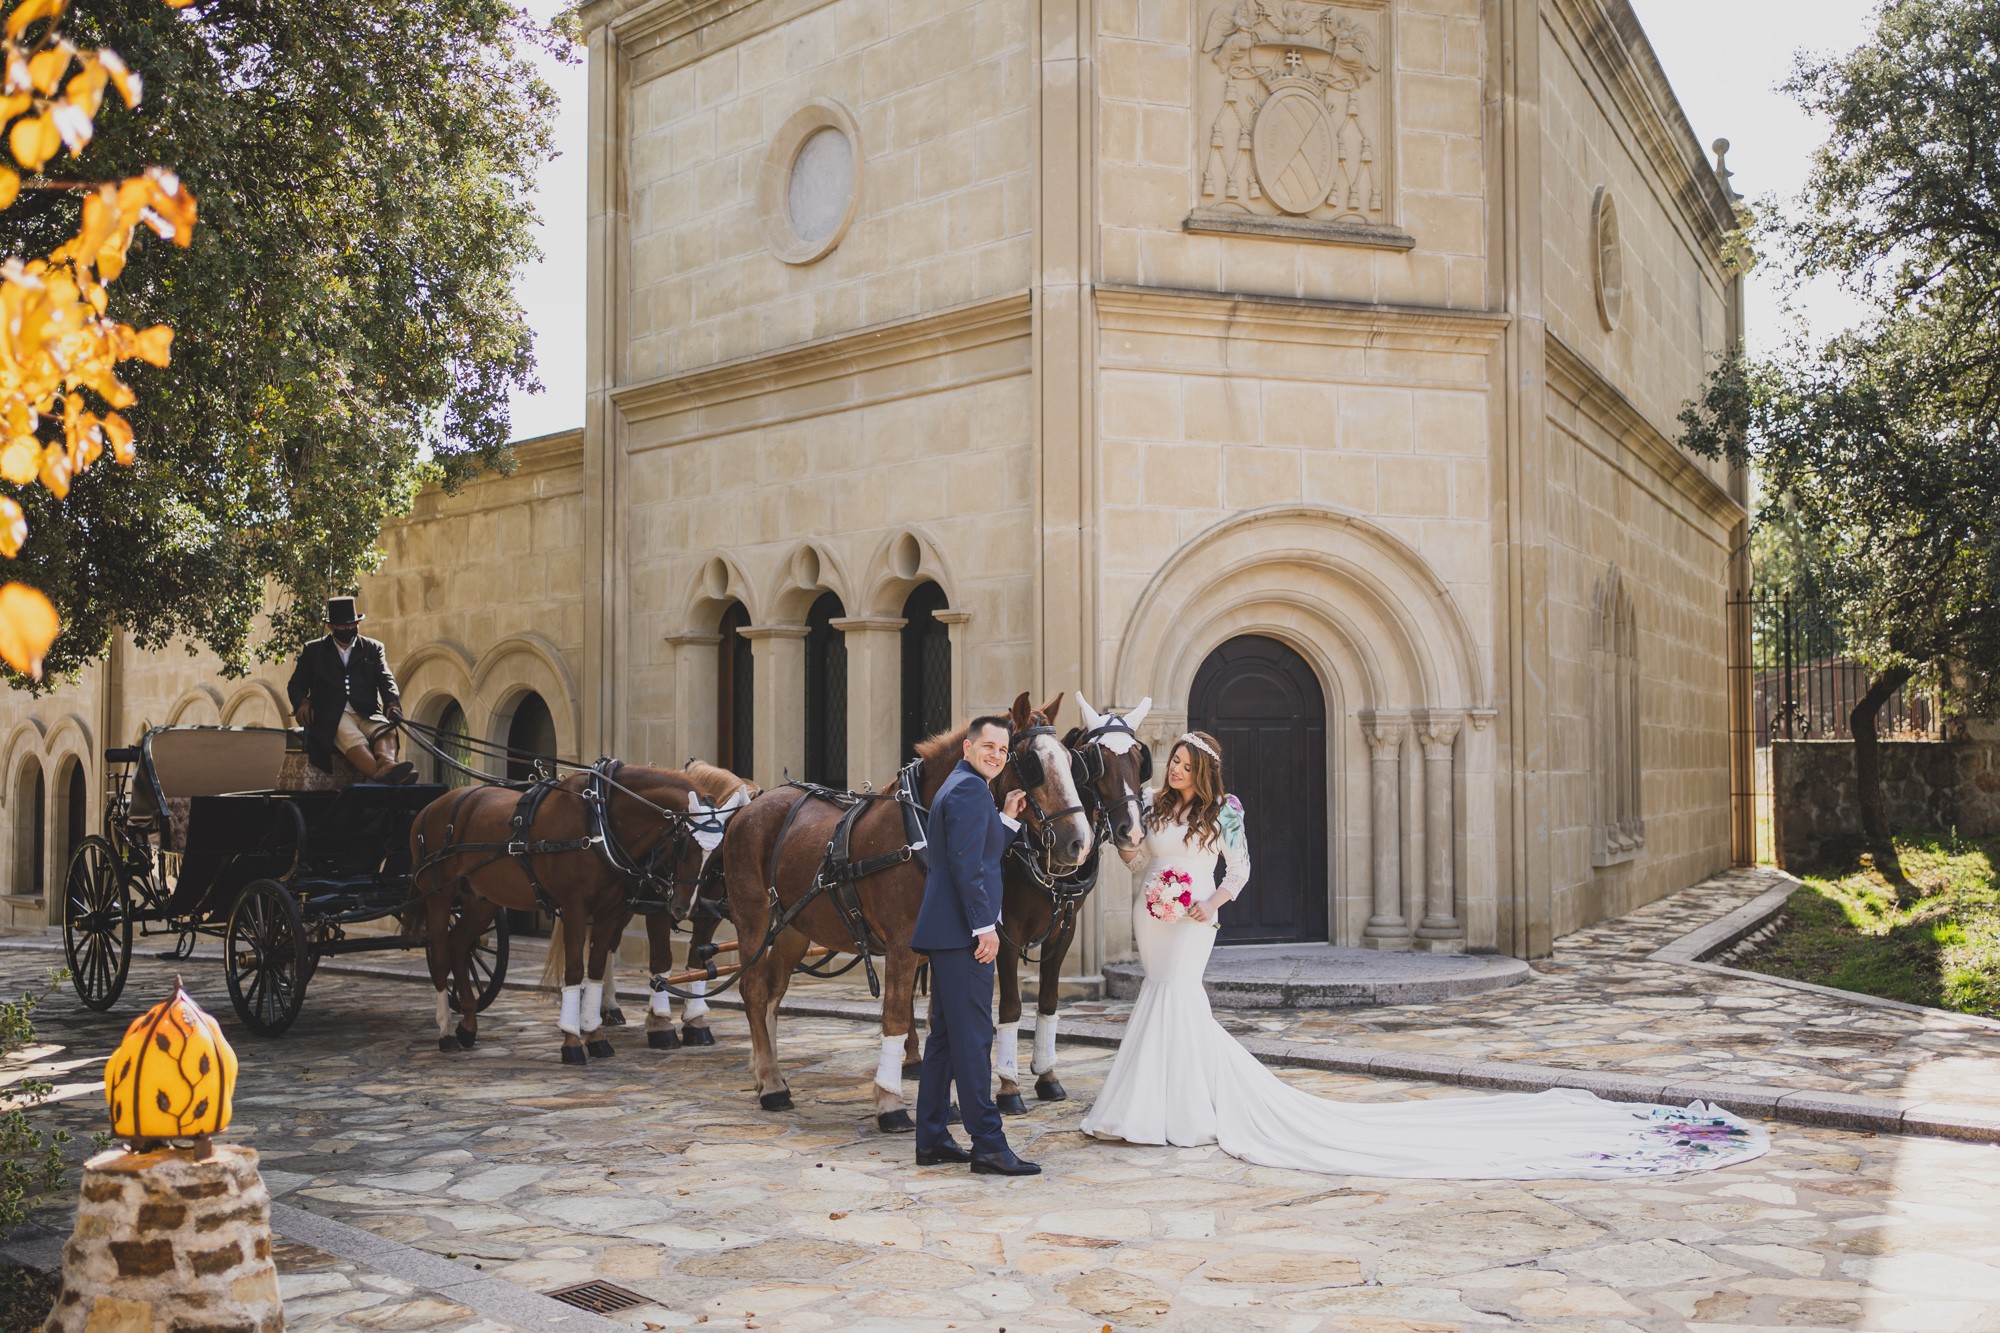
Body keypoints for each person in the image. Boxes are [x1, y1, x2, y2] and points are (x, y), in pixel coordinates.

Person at [1080, 731, 1770, 1180]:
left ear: (1204, 768)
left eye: (1182, 762)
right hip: (1154, 913)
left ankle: (1178, 1111)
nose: (1173, 768)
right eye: (1170, 760)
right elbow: (1140, 859)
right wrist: (1130, 855)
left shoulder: (1223, 809)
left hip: (1195, 919)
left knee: (1179, 995)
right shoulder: (1150, 805)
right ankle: (1164, 1104)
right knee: (1159, 995)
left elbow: (1241, 869)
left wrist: (1210, 902)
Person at [908, 715, 1041, 1177]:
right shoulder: (966, 790)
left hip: (947, 931)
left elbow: (976, 850)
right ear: (967, 747)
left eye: (1003, 750)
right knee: (972, 1038)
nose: (996, 755)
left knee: (944, 1038)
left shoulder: (966, 787)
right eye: (989, 746)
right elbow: (968, 868)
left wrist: (1004, 818)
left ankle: (931, 1138)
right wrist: (985, 927)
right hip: (964, 933)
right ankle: (988, 1144)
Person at [286, 597, 415, 784]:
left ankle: (388, 764)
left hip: (367, 711)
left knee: (385, 729)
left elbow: (386, 680)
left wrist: (392, 704)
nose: (348, 629)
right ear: (331, 627)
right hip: (332, 714)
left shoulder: (373, 648)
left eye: (352, 625)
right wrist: (302, 703)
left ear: (358, 623)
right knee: (351, 736)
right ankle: (381, 776)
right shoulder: (314, 650)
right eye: (342, 626)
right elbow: (295, 685)